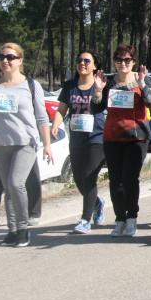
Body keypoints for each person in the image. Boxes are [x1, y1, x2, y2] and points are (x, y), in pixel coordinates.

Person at [0, 43, 52, 247]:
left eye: (10, 57)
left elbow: (42, 117)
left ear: (20, 60)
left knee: (15, 183)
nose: (5, 61)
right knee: (8, 188)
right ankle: (12, 231)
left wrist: (47, 145)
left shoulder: (30, 85)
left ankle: (23, 229)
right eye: (2, 57)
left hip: (25, 143)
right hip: (0, 145)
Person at [92, 44, 151, 238]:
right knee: (115, 181)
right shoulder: (108, 83)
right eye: (119, 60)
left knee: (130, 179)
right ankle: (119, 218)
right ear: (115, 61)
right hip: (113, 137)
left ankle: (132, 217)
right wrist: (97, 90)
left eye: (127, 60)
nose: (123, 63)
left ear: (133, 62)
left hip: (137, 138)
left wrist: (143, 85)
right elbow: (95, 108)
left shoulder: (141, 79)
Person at [51, 50, 107, 234]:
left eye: (87, 60)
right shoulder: (70, 86)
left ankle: (85, 220)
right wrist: (55, 125)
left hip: (96, 138)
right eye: (80, 60)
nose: (82, 63)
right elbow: (62, 110)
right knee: (78, 178)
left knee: (90, 177)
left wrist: (99, 89)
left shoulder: (100, 86)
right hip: (76, 138)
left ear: (95, 66)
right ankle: (97, 202)